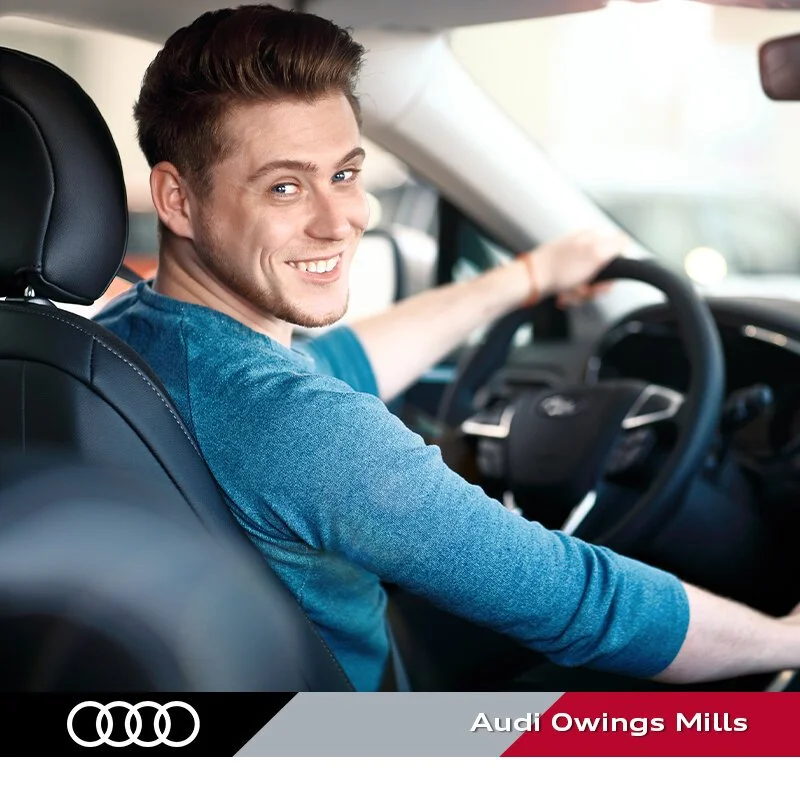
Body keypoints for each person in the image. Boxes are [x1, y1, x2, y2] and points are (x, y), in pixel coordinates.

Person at [97, 4, 800, 691]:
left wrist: (524, 278)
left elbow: (338, 364)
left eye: (345, 173)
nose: (344, 219)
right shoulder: (298, 428)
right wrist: (784, 638)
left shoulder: (124, 335)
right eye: (286, 187)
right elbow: (580, 601)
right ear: (178, 199)